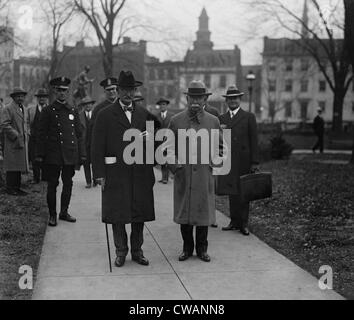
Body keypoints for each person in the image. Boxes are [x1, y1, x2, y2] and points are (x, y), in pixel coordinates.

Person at [92, 70, 157, 268]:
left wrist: (150, 138)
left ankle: (137, 251)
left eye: (132, 89)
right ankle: (121, 252)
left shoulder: (144, 114)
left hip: (140, 173)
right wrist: (99, 175)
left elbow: (159, 140)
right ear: (118, 91)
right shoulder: (104, 115)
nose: (128, 94)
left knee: (139, 214)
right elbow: (96, 146)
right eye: (124, 90)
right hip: (115, 174)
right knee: (117, 214)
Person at [166, 80, 226, 263]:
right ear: (187, 98)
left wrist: (213, 164)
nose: (196, 101)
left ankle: (202, 249)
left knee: (203, 215)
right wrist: (176, 167)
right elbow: (167, 148)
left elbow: (222, 149)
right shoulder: (176, 121)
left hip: (203, 177)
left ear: (205, 100)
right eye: (192, 97)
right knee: (184, 216)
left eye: (199, 97)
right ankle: (186, 248)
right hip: (183, 177)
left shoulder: (213, 121)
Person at [36, 77, 86, 227]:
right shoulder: (48, 111)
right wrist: (39, 155)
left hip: (69, 154)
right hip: (53, 155)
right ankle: (53, 215)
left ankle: (64, 212)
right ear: (54, 91)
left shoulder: (72, 110)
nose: (62, 93)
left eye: (64, 90)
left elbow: (79, 133)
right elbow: (40, 134)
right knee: (52, 185)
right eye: (59, 90)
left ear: (68, 91)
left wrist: (82, 154)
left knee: (68, 183)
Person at [217, 85, 259, 236]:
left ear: (240, 99)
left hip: (244, 161)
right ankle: (234, 221)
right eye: (230, 99)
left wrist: (254, 162)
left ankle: (244, 223)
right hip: (228, 161)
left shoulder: (249, 117)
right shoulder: (222, 119)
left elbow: (254, 141)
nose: (233, 101)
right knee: (232, 192)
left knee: (244, 193)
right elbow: (219, 142)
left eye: (235, 98)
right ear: (227, 101)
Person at [0, 88, 30, 196]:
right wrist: (15, 135)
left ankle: (17, 188)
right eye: (18, 96)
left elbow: (27, 124)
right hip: (12, 142)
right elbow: (4, 125)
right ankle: (10, 188)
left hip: (22, 142)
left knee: (19, 166)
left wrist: (28, 133)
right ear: (13, 97)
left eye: (22, 96)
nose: (20, 98)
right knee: (12, 166)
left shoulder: (25, 109)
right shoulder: (8, 108)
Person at [27, 88, 49, 184]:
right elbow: (27, 122)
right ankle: (36, 178)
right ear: (37, 99)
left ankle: (45, 177)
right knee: (34, 158)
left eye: (43, 97)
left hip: (46, 139)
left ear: (46, 99)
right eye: (40, 97)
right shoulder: (31, 110)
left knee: (46, 158)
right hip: (34, 138)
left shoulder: (50, 109)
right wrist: (28, 132)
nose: (42, 99)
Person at [78, 96, 96, 188]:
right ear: (83, 106)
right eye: (85, 104)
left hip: (95, 143)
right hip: (84, 144)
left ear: (92, 105)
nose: (88, 106)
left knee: (95, 162)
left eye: (89, 104)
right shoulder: (79, 116)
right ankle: (88, 182)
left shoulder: (96, 115)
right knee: (86, 163)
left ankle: (95, 180)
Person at [156, 97, 172, 184]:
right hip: (159, 142)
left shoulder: (171, 116)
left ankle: (166, 178)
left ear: (166, 106)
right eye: (161, 105)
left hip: (169, 141)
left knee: (168, 160)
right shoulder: (156, 116)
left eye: (164, 104)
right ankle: (163, 177)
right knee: (162, 160)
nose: (162, 106)